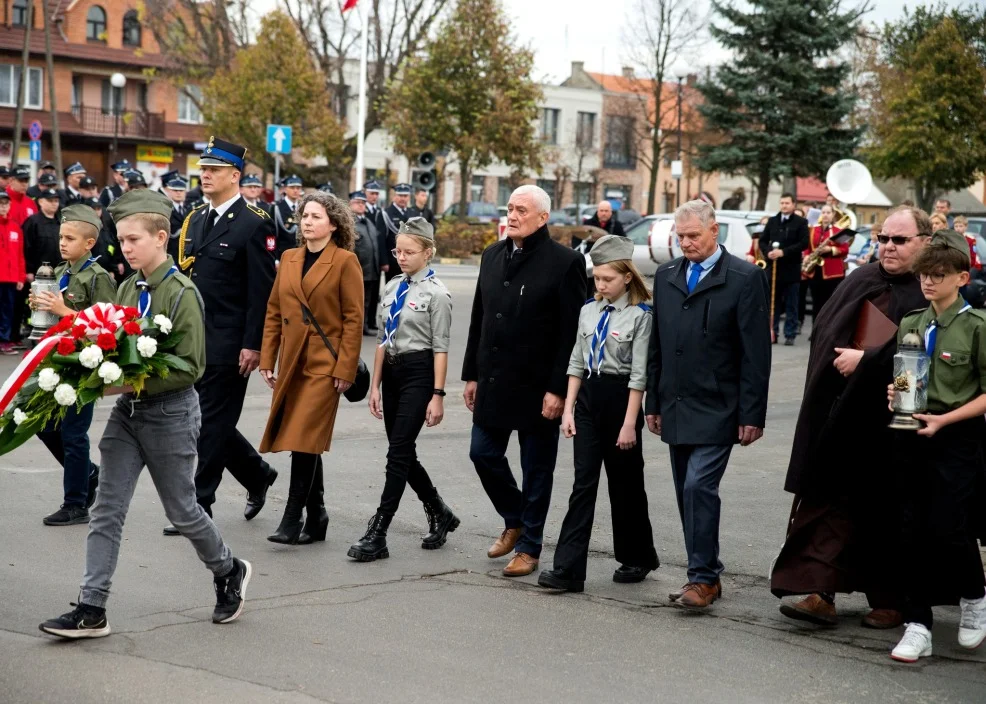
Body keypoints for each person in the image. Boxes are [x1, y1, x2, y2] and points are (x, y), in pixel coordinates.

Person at [38, 189, 252, 640]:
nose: (127, 247)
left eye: (134, 239)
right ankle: (91, 608)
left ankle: (228, 568)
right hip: (127, 413)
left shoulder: (181, 293)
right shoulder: (128, 286)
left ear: (160, 237)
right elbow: (110, 336)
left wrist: (123, 379)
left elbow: (192, 368)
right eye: (121, 240)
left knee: (183, 511)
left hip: (171, 414)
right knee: (106, 510)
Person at [771, 205, 931, 629]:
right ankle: (820, 592)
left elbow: (928, 362)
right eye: (883, 239)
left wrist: (869, 361)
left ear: (925, 243)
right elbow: (825, 336)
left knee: (886, 511)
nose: (889, 247)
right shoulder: (859, 279)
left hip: (892, 425)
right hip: (841, 416)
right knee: (829, 503)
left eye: (900, 240)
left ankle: (889, 598)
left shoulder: (928, 291)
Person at [645, 199, 771, 609]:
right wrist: (653, 400)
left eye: (693, 236)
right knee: (687, 491)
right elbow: (657, 344)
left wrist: (752, 413)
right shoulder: (666, 276)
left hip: (721, 405)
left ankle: (702, 579)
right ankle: (705, 575)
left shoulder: (744, 277)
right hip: (676, 402)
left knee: (700, 485)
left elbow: (755, 353)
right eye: (679, 237)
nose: (685, 243)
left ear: (715, 231)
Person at [463, 184, 586, 577]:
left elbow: (570, 333)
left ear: (543, 217)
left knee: (537, 469)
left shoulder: (565, 263)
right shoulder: (492, 254)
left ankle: (530, 546)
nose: (512, 216)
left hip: (538, 387)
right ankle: (515, 519)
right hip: (494, 380)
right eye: (510, 208)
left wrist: (558, 389)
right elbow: (479, 319)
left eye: (521, 210)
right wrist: (472, 375)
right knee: (481, 452)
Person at [162, 137, 278, 536]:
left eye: (213, 170)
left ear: (235, 175)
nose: (205, 175)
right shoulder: (195, 219)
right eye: (203, 169)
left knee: (208, 423)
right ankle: (256, 473)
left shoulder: (254, 222)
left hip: (230, 344)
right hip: (192, 340)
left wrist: (255, 344)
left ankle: (199, 505)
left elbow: (261, 292)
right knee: (202, 421)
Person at [538, 235, 659, 593]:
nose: (600, 284)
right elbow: (576, 362)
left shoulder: (641, 315)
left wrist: (628, 424)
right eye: (597, 278)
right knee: (583, 483)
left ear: (627, 277)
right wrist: (570, 410)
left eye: (608, 278)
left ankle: (637, 556)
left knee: (626, 484)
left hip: (622, 400)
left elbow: (639, 375)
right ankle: (569, 570)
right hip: (589, 397)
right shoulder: (588, 310)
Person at [886, 228, 986, 662]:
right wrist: (895, 395)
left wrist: (946, 419)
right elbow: (905, 378)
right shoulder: (912, 322)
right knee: (909, 531)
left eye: (939, 275)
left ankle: (974, 599)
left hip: (957, 439)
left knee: (950, 529)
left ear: (961, 278)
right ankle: (917, 623)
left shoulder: (977, 327)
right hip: (910, 436)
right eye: (924, 274)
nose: (928, 282)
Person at [349, 217, 458, 560]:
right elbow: (383, 339)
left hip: (419, 374)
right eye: (398, 250)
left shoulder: (438, 295)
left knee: (397, 454)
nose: (401, 257)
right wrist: (375, 386)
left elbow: (441, 348)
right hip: (393, 375)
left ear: (428, 252)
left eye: (410, 251)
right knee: (403, 452)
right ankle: (439, 510)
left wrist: (438, 396)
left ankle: (378, 531)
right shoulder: (393, 286)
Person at [259, 192, 364, 544]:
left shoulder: (345, 261)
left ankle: (292, 518)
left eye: (316, 217)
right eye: (304, 216)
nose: (307, 222)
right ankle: (316, 516)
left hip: (324, 362)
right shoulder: (289, 258)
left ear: (333, 224)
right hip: (292, 361)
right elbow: (274, 311)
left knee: (303, 437)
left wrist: (345, 368)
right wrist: (266, 358)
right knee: (304, 439)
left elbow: (353, 320)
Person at [29, 205, 115, 526]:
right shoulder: (62, 272)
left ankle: (75, 503)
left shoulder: (98, 277)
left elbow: (107, 326)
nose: (62, 243)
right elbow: (54, 316)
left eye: (70, 238)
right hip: (57, 360)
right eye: (61, 237)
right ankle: (88, 474)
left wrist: (64, 310)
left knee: (73, 433)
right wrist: (40, 307)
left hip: (84, 363)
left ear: (90, 243)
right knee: (44, 426)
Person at [762, 193, 810, 345]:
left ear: (793, 204)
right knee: (773, 304)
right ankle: (773, 332)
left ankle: (790, 334)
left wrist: (784, 252)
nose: (784, 205)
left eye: (787, 203)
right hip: (774, 269)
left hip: (791, 269)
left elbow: (803, 243)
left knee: (791, 304)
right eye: (782, 202)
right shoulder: (773, 221)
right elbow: (763, 241)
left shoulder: (801, 222)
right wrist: (768, 252)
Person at [802, 203, 849, 323]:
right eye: (823, 212)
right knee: (816, 302)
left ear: (833, 215)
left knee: (829, 302)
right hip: (815, 270)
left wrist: (831, 250)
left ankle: (827, 329)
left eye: (828, 213)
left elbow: (845, 250)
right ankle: (815, 328)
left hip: (832, 273)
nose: (826, 215)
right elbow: (807, 247)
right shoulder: (813, 230)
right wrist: (807, 255)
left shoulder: (839, 231)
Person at [350, 190, 381, 336]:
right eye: (358, 202)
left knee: (367, 301)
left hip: (371, 270)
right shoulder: (349, 223)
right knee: (355, 302)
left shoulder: (368, 222)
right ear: (350, 204)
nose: (361, 205)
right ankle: (355, 327)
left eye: (363, 203)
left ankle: (364, 326)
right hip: (357, 269)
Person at [0, 190, 25, 355]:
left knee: (7, 310)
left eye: (6, 203)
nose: (3, 207)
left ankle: (4, 340)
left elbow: (19, 255)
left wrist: (21, 276)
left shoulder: (15, 227)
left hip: (11, 277)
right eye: (1, 204)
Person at [23, 188, 62, 277]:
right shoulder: (33, 222)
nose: (54, 204)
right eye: (50, 200)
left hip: (59, 271)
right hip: (39, 272)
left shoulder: (60, 222)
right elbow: (27, 247)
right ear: (40, 202)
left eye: (56, 201)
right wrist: (29, 270)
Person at [383, 183, 413, 275]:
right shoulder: (386, 213)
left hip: (411, 260)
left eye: (405, 196)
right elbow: (382, 239)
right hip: (393, 260)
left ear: (409, 197)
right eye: (400, 195)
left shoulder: (412, 213)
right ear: (394, 196)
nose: (403, 198)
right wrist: (384, 261)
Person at [274, 174, 304, 263]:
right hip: (283, 254)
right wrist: (275, 258)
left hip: (302, 253)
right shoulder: (276, 208)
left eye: (298, 188)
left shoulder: (304, 207)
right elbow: (273, 235)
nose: (295, 190)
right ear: (285, 189)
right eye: (292, 187)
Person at [163, 173, 189, 261]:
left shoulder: (188, 208)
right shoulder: (165, 209)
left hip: (185, 253)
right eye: (175, 190)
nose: (178, 193)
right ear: (168, 191)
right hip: (170, 253)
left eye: (181, 191)